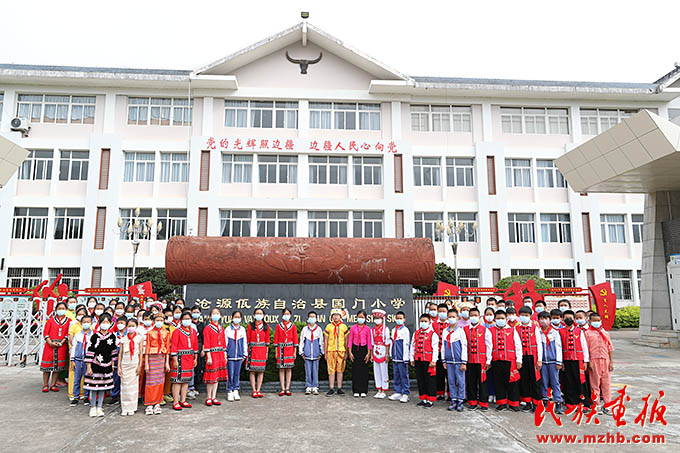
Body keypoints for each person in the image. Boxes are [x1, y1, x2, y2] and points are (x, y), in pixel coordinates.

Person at [83, 314, 117, 417]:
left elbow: (113, 351)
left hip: (107, 365)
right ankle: (93, 407)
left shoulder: (112, 336)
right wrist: (89, 366)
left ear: (110, 323)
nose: (105, 324)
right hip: (95, 364)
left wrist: (113, 364)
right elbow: (90, 351)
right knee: (94, 387)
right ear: (99, 323)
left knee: (103, 386)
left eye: (107, 322)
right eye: (103, 322)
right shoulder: (95, 336)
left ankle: (100, 407)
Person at [490, 310, 523, 411]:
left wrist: (519, 360)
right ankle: (502, 403)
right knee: (498, 382)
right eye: (498, 318)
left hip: (510, 360)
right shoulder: (490, 330)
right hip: (496, 360)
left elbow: (518, 346)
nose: (500, 320)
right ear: (495, 319)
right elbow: (488, 346)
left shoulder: (512, 330)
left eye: (502, 318)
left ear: (506, 319)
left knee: (513, 382)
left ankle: (514, 403)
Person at [559, 310, 589, 411]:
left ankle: (583, 403)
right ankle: (571, 403)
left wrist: (586, 361)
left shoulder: (579, 331)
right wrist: (561, 361)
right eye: (566, 318)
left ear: (574, 319)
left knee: (580, 381)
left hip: (578, 360)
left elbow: (584, 346)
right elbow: (559, 348)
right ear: (563, 319)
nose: (569, 320)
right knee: (568, 382)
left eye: (571, 318)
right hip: (566, 360)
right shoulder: (560, 331)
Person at [584, 312, 614, 414]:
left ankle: (607, 405)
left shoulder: (605, 333)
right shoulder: (587, 333)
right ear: (589, 321)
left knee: (606, 384)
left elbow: (610, 348)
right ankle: (596, 405)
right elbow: (586, 349)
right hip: (594, 360)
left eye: (598, 320)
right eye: (594, 321)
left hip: (605, 360)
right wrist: (589, 362)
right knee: (595, 384)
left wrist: (611, 362)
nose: (596, 322)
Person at [170, 311, 199, 411]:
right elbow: (173, 346)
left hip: (189, 358)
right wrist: (174, 359)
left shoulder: (193, 332)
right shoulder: (177, 331)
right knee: (177, 381)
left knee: (186, 380)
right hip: (179, 358)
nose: (187, 321)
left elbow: (195, 346)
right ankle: (175, 402)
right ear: (181, 320)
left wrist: (195, 358)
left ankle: (183, 400)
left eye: (188, 319)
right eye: (185, 319)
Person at [464, 307, 492, 411]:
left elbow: (489, 346)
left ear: (479, 317)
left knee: (483, 382)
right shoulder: (465, 329)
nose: (473, 317)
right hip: (469, 360)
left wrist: (489, 360)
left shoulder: (485, 330)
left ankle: (483, 403)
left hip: (482, 360)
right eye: (471, 316)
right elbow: (464, 345)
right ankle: (472, 402)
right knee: (471, 382)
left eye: (475, 315)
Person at [144, 313, 171, 415]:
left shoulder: (166, 333)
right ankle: (149, 404)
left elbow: (167, 348)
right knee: (150, 382)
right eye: (157, 320)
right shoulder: (150, 333)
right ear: (154, 321)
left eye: (161, 320)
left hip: (161, 358)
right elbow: (146, 349)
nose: (159, 322)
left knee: (160, 381)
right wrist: (146, 363)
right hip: (152, 358)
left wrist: (167, 363)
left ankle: (157, 403)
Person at [41, 302, 71, 393]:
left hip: (61, 346)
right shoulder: (50, 320)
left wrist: (61, 342)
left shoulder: (69, 321)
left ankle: (53, 384)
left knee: (57, 367)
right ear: (56, 309)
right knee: (47, 366)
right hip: (49, 345)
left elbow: (67, 333)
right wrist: (50, 342)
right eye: (59, 308)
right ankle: (45, 384)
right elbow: (46, 332)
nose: (61, 310)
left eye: (63, 308)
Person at [517, 306, 543, 412]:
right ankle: (527, 402)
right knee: (524, 379)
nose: (524, 317)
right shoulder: (516, 328)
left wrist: (540, 359)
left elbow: (539, 344)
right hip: (522, 356)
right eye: (522, 315)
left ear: (530, 316)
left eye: (526, 315)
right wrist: (518, 359)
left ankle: (536, 403)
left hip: (534, 357)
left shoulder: (534, 328)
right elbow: (517, 345)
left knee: (535, 380)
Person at [537, 310, 564, 414]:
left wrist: (559, 362)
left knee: (555, 382)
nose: (544, 321)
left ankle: (558, 402)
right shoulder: (538, 332)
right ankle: (545, 401)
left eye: (546, 319)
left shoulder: (555, 332)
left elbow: (558, 347)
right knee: (543, 382)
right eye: (541, 319)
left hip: (553, 362)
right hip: (543, 362)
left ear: (550, 320)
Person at [410, 313, 439, 408]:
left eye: (425, 321)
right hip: (418, 359)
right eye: (422, 321)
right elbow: (412, 346)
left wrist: (434, 360)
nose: (423, 323)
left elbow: (435, 348)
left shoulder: (433, 334)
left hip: (428, 360)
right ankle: (423, 398)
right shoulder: (416, 333)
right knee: (420, 379)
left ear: (429, 322)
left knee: (429, 380)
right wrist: (412, 358)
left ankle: (430, 400)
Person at [441, 308, 467, 411]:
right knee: (451, 381)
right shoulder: (445, 331)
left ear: (457, 318)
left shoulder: (460, 331)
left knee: (461, 381)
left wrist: (464, 361)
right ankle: (453, 399)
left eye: (453, 317)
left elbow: (464, 346)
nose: (451, 318)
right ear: (447, 318)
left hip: (459, 361)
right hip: (449, 362)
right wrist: (443, 360)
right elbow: (443, 346)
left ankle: (460, 400)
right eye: (450, 317)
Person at [118, 317, 143, 416]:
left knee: (133, 387)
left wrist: (139, 366)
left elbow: (141, 353)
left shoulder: (139, 338)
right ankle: (125, 407)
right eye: (129, 326)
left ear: (136, 326)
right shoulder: (123, 339)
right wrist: (119, 367)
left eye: (133, 326)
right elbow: (120, 354)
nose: (131, 328)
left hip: (134, 364)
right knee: (124, 386)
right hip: (125, 364)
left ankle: (132, 407)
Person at [203, 308, 227, 406]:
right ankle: (208, 397)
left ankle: (214, 397)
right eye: (214, 313)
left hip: (220, 353)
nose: (215, 315)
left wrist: (225, 355)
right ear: (210, 316)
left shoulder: (221, 328)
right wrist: (208, 356)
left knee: (217, 377)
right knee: (211, 377)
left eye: (217, 313)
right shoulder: (207, 328)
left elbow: (224, 342)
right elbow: (207, 342)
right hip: (212, 354)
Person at [324, 308, 349, 396]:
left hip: (341, 351)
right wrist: (325, 352)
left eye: (337, 315)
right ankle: (331, 388)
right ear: (331, 316)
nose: (335, 317)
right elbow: (326, 340)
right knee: (331, 370)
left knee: (340, 370)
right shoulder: (328, 326)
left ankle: (339, 388)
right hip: (331, 350)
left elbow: (346, 340)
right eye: (334, 315)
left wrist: (346, 352)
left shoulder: (344, 327)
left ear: (340, 316)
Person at [274, 308, 298, 396]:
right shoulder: (279, 326)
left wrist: (295, 352)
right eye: (285, 314)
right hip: (281, 349)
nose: (286, 316)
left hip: (290, 349)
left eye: (288, 314)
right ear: (282, 315)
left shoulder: (293, 326)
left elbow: (295, 339)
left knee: (288, 369)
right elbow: (276, 339)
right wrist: (276, 352)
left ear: (290, 315)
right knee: (281, 369)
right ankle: (282, 388)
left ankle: (287, 388)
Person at [69, 314, 92, 406]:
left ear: (91, 323)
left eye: (88, 322)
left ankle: (86, 397)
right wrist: (72, 360)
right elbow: (74, 347)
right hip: (78, 360)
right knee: (77, 379)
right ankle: (75, 397)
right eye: (84, 322)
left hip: (88, 361)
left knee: (87, 379)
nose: (86, 324)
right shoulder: (78, 335)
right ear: (81, 323)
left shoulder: (93, 335)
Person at [246, 308, 269, 398]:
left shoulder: (266, 326)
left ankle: (259, 389)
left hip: (262, 350)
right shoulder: (250, 326)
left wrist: (266, 352)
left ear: (263, 315)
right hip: (252, 350)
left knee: (260, 371)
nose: (259, 315)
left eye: (260, 313)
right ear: (254, 315)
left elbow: (267, 340)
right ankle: (253, 390)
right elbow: (247, 339)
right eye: (257, 313)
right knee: (252, 371)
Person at [299, 311, 324, 395]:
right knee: (308, 371)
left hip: (316, 355)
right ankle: (308, 386)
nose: (312, 318)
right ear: (308, 318)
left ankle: (315, 387)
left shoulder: (319, 329)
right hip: (307, 354)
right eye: (310, 317)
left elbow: (321, 342)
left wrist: (321, 353)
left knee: (315, 371)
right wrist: (301, 353)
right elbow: (302, 341)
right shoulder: (305, 329)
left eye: (313, 317)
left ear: (316, 319)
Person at [348, 310, 372, 398]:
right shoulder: (353, 328)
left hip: (364, 349)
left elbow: (369, 342)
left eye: (362, 317)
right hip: (355, 349)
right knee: (355, 370)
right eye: (359, 317)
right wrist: (350, 352)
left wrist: (368, 353)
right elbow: (350, 341)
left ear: (365, 318)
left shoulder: (367, 329)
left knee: (364, 371)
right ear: (356, 317)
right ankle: (356, 390)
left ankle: (363, 390)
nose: (360, 319)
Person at [224, 311, 247, 402]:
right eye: (235, 317)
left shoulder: (242, 329)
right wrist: (225, 354)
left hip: (239, 356)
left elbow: (245, 342)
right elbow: (225, 343)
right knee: (230, 374)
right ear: (232, 318)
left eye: (238, 317)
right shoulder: (228, 329)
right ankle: (229, 390)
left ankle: (236, 390)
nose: (237, 318)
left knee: (237, 374)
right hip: (230, 356)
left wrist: (245, 354)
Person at [388, 311, 410, 403]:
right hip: (395, 357)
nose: (399, 320)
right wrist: (391, 354)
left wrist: (406, 358)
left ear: (404, 319)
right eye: (397, 318)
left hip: (402, 358)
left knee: (403, 375)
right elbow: (392, 343)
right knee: (396, 375)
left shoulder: (405, 330)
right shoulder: (393, 330)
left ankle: (405, 393)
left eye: (401, 318)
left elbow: (406, 344)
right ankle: (397, 392)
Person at [67, 306, 86, 402]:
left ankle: (82, 392)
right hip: (75, 352)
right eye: (79, 314)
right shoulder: (74, 325)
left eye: (83, 314)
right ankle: (73, 393)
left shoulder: (89, 325)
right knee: (74, 373)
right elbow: (70, 338)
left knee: (84, 374)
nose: (81, 316)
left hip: (85, 354)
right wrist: (72, 352)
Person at [370, 309, 391, 399]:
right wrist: (371, 355)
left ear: (382, 318)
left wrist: (387, 354)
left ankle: (384, 390)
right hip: (375, 350)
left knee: (384, 371)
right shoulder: (373, 330)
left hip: (383, 350)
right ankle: (378, 389)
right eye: (375, 318)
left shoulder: (385, 329)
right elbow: (371, 343)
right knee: (377, 371)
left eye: (378, 318)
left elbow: (387, 342)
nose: (376, 320)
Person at [434, 303, 449, 400]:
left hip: (448, 352)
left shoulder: (451, 323)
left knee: (449, 374)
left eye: (444, 311)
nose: (442, 313)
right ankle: (440, 393)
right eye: (440, 311)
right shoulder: (434, 324)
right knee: (439, 373)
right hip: (438, 352)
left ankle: (450, 394)